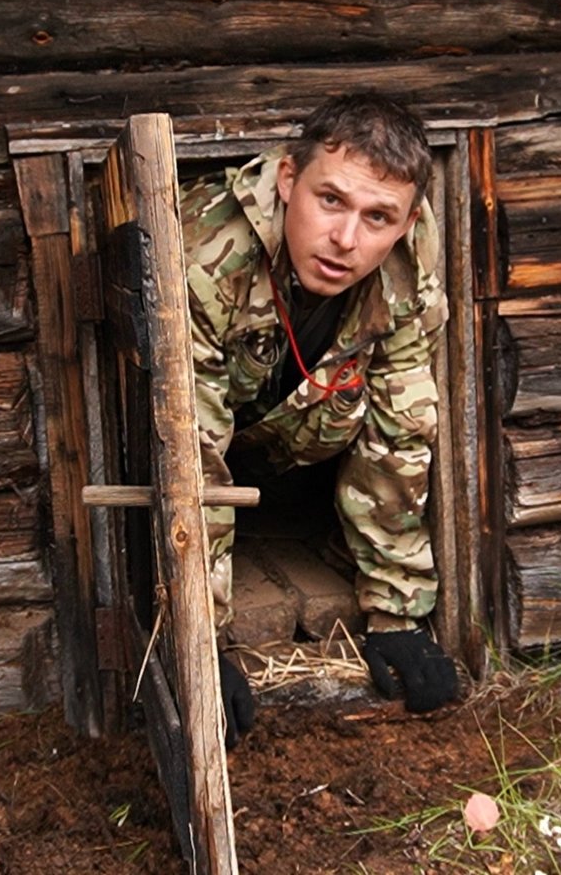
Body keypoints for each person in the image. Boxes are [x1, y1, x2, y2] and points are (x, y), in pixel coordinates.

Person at [180, 94, 459, 746]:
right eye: (330, 200)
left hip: (303, 439)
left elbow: (402, 423)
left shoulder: (408, 259)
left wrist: (396, 611)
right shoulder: (207, 251)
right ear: (287, 179)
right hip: (222, 430)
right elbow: (193, 449)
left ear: (407, 221)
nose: (347, 240)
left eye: (377, 217)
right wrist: (200, 637)